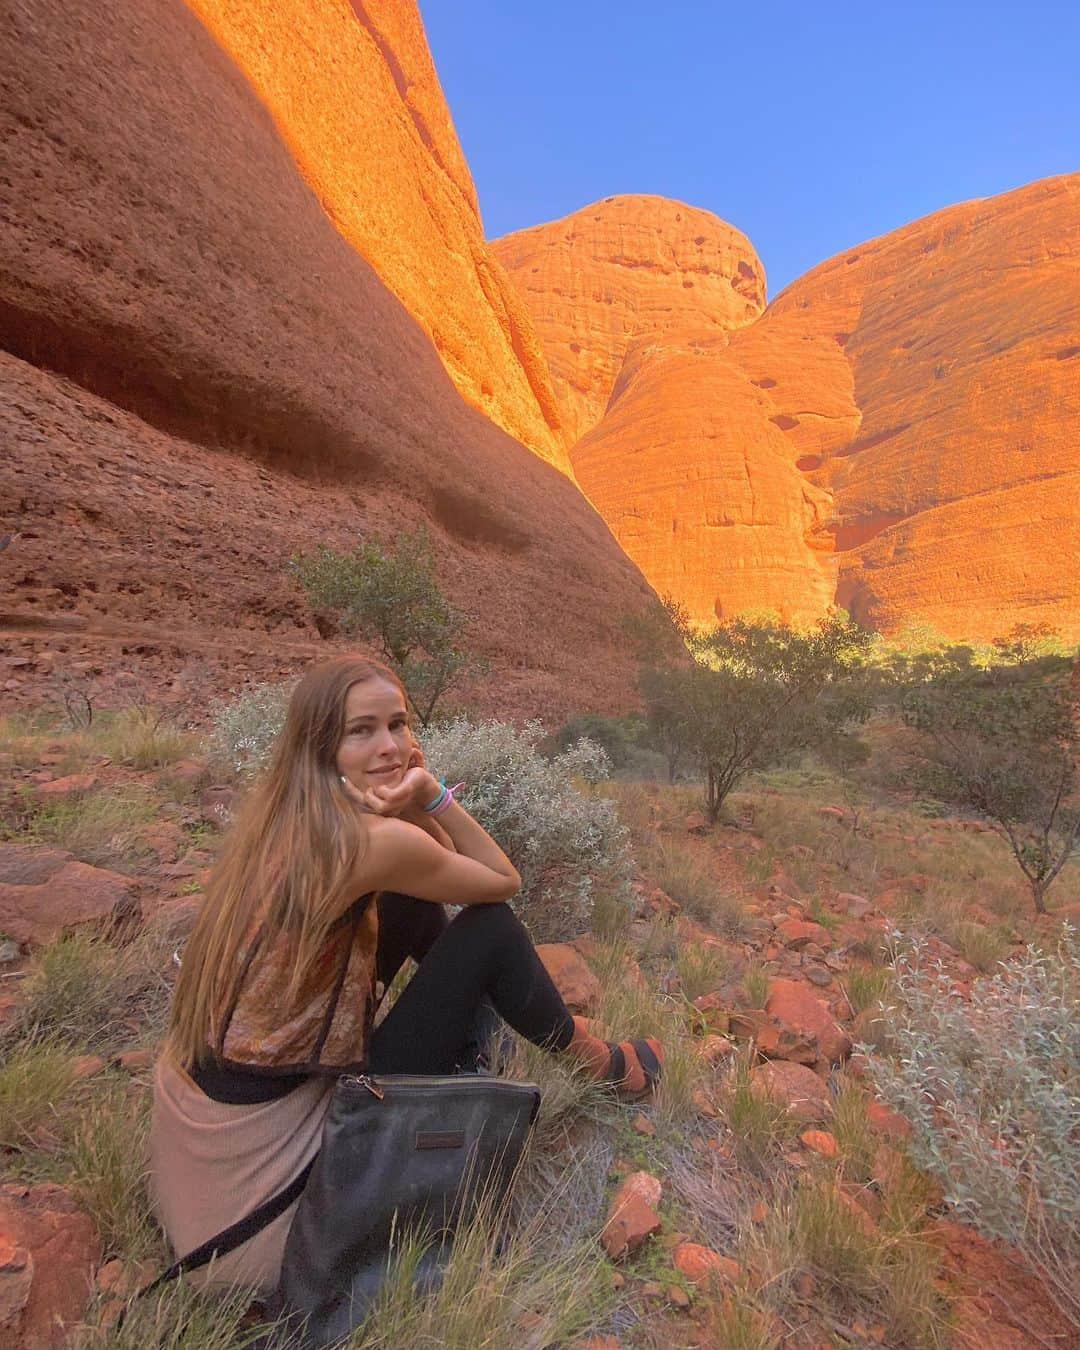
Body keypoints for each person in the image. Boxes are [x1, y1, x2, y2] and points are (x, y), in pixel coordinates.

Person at [151, 655, 662, 1294]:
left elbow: (434, 872)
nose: (389, 746)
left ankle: (475, 1040)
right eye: (361, 730)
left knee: (417, 903)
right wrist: (431, 792)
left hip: (217, 1124)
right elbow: (499, 881)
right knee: (492, 928)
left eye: (397, 724)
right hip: (265, 1202)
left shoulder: (288, 818)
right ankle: (597, 1063)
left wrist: (407, 808)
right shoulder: (364, 843)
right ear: (322, 744)